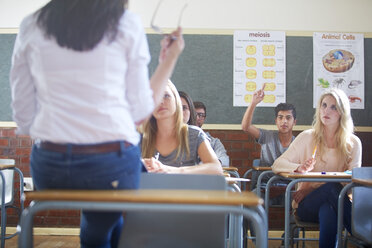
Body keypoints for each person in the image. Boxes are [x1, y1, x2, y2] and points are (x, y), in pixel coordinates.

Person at [10, 1, 184, 247]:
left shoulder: (31, 24)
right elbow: (139, 112)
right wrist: (169, 60)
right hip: (111, 167)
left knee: (111, 218)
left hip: (51, 168)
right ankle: (94, 236)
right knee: (105, 216)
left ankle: (98, 233)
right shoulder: (126, 23)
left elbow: (23, 114)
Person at [272, 88, 362, 248]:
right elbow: (277, 164)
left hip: (336, 202)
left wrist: (312, 187)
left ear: (342, 112)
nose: (326, 110)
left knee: (329, 210)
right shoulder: (307, 136)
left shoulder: (353, 143)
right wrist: (299, 167)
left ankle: (361, 232)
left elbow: (354, 183)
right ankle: (361, 231)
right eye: (324, 105)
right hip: (306, 205)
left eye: (333, 107)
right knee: (333, 188)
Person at [141, 81, 223, 175]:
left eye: (166, 96)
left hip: (185, 189)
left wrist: (169, 170)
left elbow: (216, 168)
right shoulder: (140, 138)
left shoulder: (194, 134)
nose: (161, 101)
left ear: (176, 101)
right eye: (155, 98)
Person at [241, 84, 297, 191]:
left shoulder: (298, 143)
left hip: (289, 188)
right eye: (280, 117)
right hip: (265, 186)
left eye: (288, 118)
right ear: (276, 121)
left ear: (294, 122)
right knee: (254, 199)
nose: (284, 121)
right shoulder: (267, 136)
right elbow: (246, 127)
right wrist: (253, 103)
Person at [193, 101, 230, 167]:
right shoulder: (179, 139)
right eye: (194, 114)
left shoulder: (214, 142)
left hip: (205, 174)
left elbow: (224, 159)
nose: (197, 118)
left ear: (204, 118)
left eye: (201, 115)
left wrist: (207, 164)